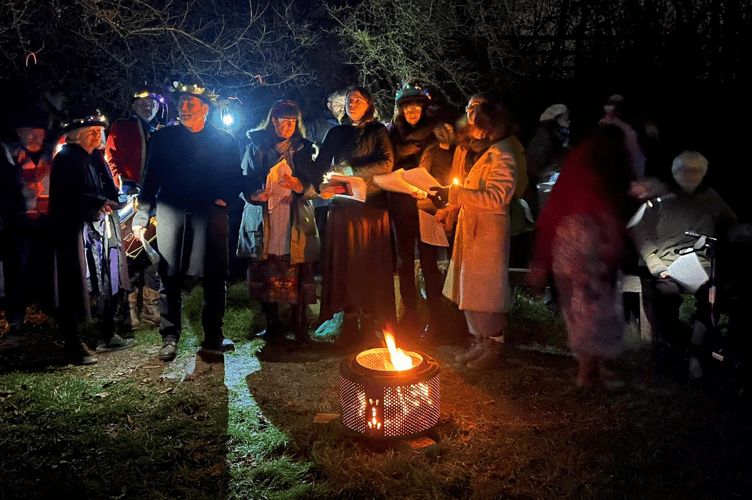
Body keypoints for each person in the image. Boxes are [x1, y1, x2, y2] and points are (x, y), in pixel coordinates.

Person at [132, 83, 243, 362]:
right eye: (181, 103)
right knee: (169, 276)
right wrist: (143, 215)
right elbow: (150, 179)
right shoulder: (164, 138)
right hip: (173, 213)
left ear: (205, 108)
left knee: (215, 277)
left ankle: (213, 336)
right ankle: (169, 337)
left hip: (210, 215)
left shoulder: (224, 140)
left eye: (190, 104)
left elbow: (234, 176)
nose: (183, 108)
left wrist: (225, 198)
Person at [530, 125, 636, 388]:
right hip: (587, 244)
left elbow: (553, 210)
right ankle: (590, 371)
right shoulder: (601, 166)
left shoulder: (580, 163)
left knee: (582, 307)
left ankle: (592, 367)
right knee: (592, 306)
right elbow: (605, 209)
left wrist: (542, 259)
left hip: (572, 243)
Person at [631, 151, 737, 379]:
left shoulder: (710, 198)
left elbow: (731, 224)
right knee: (663, 297)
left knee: (714, 296)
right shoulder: (661, 199)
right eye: (685, 171)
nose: (691, 176)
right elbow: (640, 233)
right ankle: (669, 349)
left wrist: (741, 232)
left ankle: (694, 349)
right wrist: (656, 265)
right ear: (674, 173)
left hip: (698, 264)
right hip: (663, 262)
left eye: (696, 172)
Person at [433, 98, 520, 370]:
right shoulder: (483, 152)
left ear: (491, 128)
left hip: (487, 234)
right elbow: (470, 189)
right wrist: (450, 208)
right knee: (468, 291)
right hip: (470, 229)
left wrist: (456, 194)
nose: (474, 131)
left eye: (479, 126)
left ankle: (495, 344)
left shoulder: (503, 154)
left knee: (485, 292)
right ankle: (479, 340)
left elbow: (497, 197)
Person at [313, 86, 396, 349]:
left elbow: (386, 163)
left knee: (368, 264)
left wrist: (353, 169)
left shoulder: (378, 131)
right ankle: (348, 322)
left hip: (370, 208)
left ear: (369, 104)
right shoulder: (336, 132)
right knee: (345, 265)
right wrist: (317, 183)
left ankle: (370, 322)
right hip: (342, 206)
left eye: (358, 100)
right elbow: (321, 164)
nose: (352, 104)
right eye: (348, 100)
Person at [49, 108, 135, 364]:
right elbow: (68, 195)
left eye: (100, 132)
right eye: (92, 132)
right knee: (74, 285)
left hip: (103, 228)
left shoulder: (96, 157)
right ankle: (72, 345)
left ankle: (107, 334)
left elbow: (108, 188)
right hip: (77, 231)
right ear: (76, 136)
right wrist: (97, 202)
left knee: (110, 279)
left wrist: (116, 200)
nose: (98, 136)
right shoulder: (66, 159)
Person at [240, 101, 320, 347]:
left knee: (296, 267)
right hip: (265, 215)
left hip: (294, 215)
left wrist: (300, 187)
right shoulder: (255, 146)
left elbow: (315, 183)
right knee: (266, 267)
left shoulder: (305, 148)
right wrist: (254, 194)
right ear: (272, 121)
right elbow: (243, 178)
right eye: (284, 121)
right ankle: (272, 323)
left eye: (293, 122)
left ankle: (299, 325)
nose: (288, 126)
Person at [386, 81, 445, 339]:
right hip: (400, 204)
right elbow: (386, 166)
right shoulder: (391, 135)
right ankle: (409, 316)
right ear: (401, 110)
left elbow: (442, 166)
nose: (412, 111)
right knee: (405, 260)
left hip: (426, 205)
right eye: (407, 107)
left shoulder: (434, 134)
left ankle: (436, 321)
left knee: (430, 262)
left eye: (416, 106)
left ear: (424, 108)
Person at [105, 86, 165, 331]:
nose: (147, 106)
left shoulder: (163, 132)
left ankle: (152, 308)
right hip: (129, 199)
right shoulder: (121, 127)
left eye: (152, 102)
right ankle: (129, 312)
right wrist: (123, 183)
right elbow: (111, 158)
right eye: (142, 103)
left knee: (156, 252)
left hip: (159, 202)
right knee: (129, 252)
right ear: (132, 106)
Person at [1, 108, 55, 333]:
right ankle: (16, 317)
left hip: (48, 221)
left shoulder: (52, 155)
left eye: (37, 134)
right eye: (27, 134)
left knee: (47, 267)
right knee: (18, 270)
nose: (33, 138)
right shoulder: (8, 157)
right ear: (19, 134)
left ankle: (49, 310)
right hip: (19, 222)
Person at [525, 103, 570, 217]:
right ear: (555, 120)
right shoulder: (543, 138)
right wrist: (561, 163)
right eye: (565, 118)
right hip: (540, 194)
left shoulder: (556, 138)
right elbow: (535, 168)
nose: (569, 121)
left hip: (548, 191)